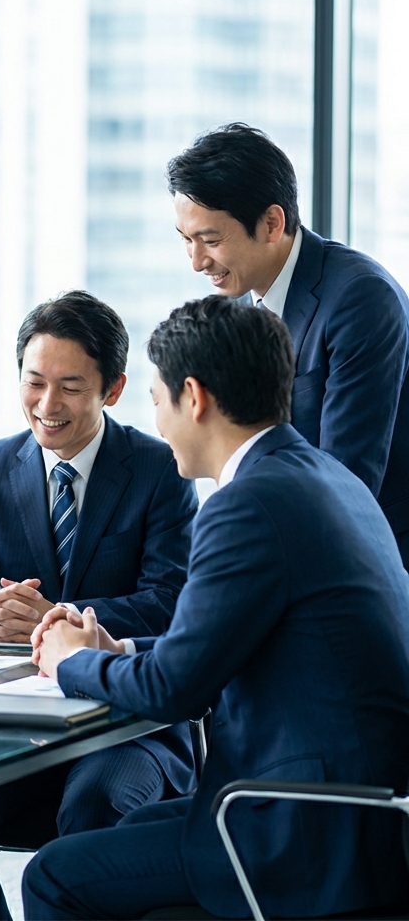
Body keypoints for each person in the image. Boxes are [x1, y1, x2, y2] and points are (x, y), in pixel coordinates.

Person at [23, 296, 409, 920]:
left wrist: (69, 662)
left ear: (193, 398)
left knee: (53, 876)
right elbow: (221, 642)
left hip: (304, 827)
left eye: (155, 400)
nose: (156, 423)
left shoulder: (246, 506)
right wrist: (116, 650)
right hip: (360, 812)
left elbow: (178, 689)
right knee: (130, 830)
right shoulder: (325, 479)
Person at [0, 292, 198, 921]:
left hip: (132, 725)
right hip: (23, 724)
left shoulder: (162, 465)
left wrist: (61, 617)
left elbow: (171, 602)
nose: (47, 406)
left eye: (71, 387)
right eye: (34, 382)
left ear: (113, 388)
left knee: (92, 803)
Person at [170, 122, 409, 566]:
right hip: (286, 544)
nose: (197, 262)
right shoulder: (238, 302)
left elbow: (345, 479)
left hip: (366, 562)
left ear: (272, 223)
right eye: (186, 240)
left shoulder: (359, 298)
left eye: (211, 240)